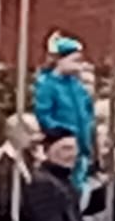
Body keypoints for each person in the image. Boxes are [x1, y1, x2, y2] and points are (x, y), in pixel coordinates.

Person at [33, 32, 97, 197]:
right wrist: (62, 132)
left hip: (81, 143)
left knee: (79, 184)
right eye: (74, 60)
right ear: (59, 60)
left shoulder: (76, 86)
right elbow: (43, 113)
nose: (79, 65)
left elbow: (87, 110)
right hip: (61, 140)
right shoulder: (47, 84)